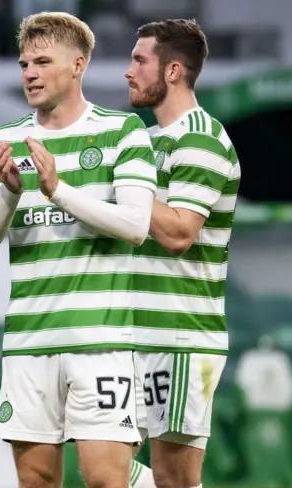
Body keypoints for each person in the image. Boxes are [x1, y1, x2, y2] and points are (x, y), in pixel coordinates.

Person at [0, 12, 157, 488]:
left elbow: (136, 225)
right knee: (35, 482)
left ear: (78, 65)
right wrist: (11, 191)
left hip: (103, 340)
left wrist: (59, 191)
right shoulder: (0, 143)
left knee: (105, 480)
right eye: (24, 63)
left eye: (42, 61)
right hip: (29, 344)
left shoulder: (123, 131)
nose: (29, 72)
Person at [125, 19, 241, 488]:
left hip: (180, 335)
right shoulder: (146, 142)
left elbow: (178, 233)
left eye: (139, 60)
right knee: (103, 463)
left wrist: (125, 188)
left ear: (172, 71)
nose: (128, 72)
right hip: (131, 331)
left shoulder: (202, 138)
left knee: (174, 478)